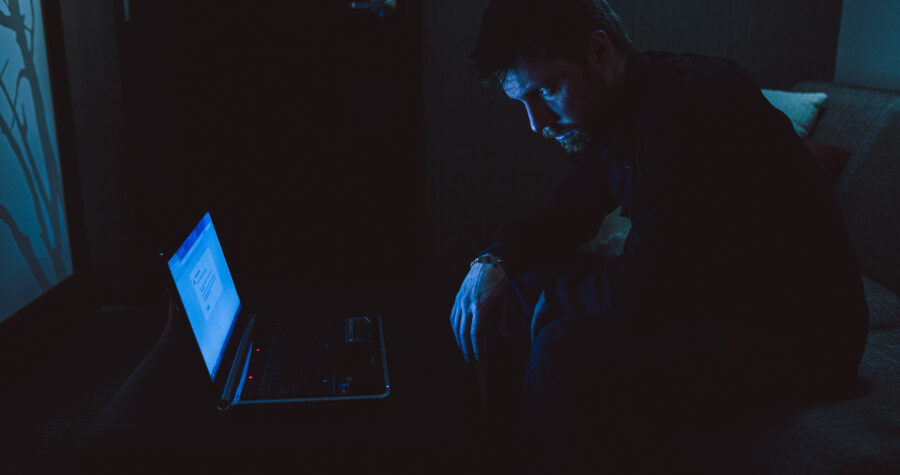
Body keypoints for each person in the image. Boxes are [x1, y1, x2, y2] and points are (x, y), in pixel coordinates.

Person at [449, 0, 869, 472]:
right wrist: (493, 262)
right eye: (522, 102)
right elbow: (570, 211)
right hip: (721, 300)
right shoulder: (610, 114)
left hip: (801, 337)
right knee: (497, 299)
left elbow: (643, 292)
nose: (536, 122)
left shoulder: (688, 107)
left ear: (599, 51)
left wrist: (553, 294)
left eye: (546, 90)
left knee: (564, 350)